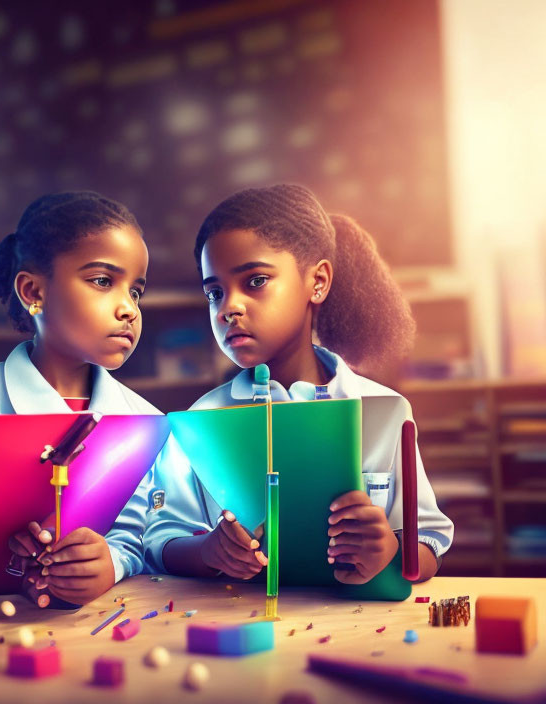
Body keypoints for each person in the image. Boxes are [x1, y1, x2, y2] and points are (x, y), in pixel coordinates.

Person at [144, 184, 453, 584]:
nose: (228, 308)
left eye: (255, 281)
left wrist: (393, 551)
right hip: (238, 625)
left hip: (354, 627)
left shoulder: (385, 409)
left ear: (318, 282)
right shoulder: (198, 420)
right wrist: (209, 551)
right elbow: (159, 541)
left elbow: (429, 540)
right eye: (214, 293)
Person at [0, 191, 158, 605]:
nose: (129, 309)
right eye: (103, 281)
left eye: (136, 291)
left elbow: (144, 536)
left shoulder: (146, 422)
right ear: (32, 291)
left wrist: (111, 562)